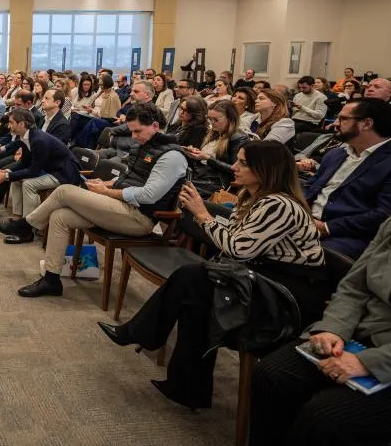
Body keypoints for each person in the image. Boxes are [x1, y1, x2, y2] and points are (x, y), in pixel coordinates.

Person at [99, 141, 328, 410]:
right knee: (196, 294)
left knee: (193, 279)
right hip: (259, 278)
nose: (234, 167)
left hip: (286, 295)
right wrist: (205, 217)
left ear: (265, 169)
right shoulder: (251, 197)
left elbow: (237, 249)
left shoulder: (280, 204)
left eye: (243, 162)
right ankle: (185, 387)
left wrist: (202, 214)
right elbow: (233, 242)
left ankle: (142, 335)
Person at [0, 103, 189, 298]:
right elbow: (126, 179)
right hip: (120, 208)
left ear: (155, 126)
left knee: (64, 191)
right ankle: (51, 280)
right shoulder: (143, 146)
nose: (134, 137)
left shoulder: (172, 156)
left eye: (138, 131)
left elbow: (148, 195)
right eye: (132, 132)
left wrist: (106, 191)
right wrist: (106, 184)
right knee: (60, 216)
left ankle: (26, 225)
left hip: (140, 218)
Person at [249, 216, 391, 446]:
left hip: (384, 358)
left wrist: (370, 362)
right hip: (360, 331)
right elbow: (354, 286)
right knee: (271, 375)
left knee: (325, 419)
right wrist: (334, 328)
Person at [303, 98, 391, 259]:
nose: (335, 123)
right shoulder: (337, 153)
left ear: (367, 124)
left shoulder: (387, 161)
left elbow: (384, 215)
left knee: (305, 256)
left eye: (343, 119)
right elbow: (311, 187)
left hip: (350, 235)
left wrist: (326, 227)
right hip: (308, 220)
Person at [0, 108, 81, 219]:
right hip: (52, 169)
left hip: (64, 173)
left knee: (28, 184)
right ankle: (17, 218)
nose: (8, 126)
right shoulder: (26, 136)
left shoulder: (38, 140)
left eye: (11, 122)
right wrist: (7, 172)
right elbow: (24, 162)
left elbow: (33, 171)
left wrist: (6, 176)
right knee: (16, 180)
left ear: (21, 124)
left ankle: (28, 224)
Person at [183, 100, 249, 197]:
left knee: (177, 189)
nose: (212, 123)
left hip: (217, 182)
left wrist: (208, 159)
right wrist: (195, 153)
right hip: (200, 175)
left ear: (230, 118)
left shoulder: (239, 138)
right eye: (209, 119)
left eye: (216, 119)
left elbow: (236, 170)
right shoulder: (213, 133)